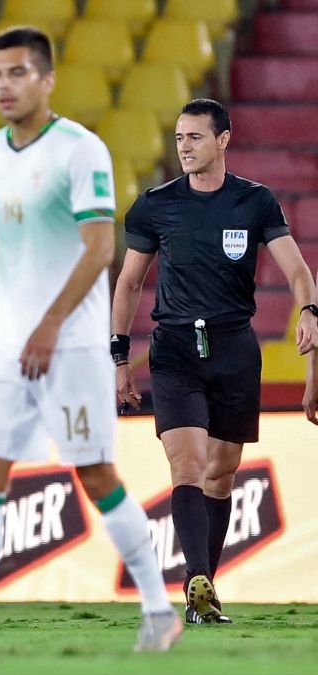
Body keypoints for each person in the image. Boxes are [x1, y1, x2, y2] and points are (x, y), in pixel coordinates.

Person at [0, 27, 181, 654]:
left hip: (72, 342)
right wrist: (4, 325)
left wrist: (51, 323)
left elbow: (100, 248)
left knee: (94, 472)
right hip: (8, 341)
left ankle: (160, 607)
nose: (4, 86)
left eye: (17, 73)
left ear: (47, 79)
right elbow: (6, 246)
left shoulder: (80, 151)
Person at [111, 98, 317, 624]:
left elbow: (296, 270)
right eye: (179, 137)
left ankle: (204, 590)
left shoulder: (255, 201)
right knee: (187, 463)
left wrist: (310, 312)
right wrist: (119, 356)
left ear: (223, 140)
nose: (184, 146)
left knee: (222, 476)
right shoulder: (155, 205)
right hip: (176, 347)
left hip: (234, 348)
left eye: (195, 137)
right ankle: (197, 582)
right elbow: (130, 282)